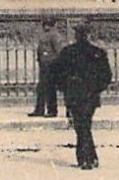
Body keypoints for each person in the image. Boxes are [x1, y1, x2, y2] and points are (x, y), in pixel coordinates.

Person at [46, 24, 113, 170]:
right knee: (85, 125)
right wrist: (96, 90)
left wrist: (64, 89)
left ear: (76, 36)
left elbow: (55, 73)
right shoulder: (98, 52)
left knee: (81, 126)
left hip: (75, 95)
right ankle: (90, 158)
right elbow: (106, 76)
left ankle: (85, 159)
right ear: (88, 36)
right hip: (90, 96)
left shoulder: (68, 52)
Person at [28, 21, 62, 118]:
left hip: (51, 66)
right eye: (45, 25)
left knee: (50, 88)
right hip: (44, 65)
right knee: (42, 88)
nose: (46, 27)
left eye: (48, 25)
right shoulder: (46, 35)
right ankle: (39, 109)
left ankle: (52, 110)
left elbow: (58, 51)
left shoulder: (55, 36)